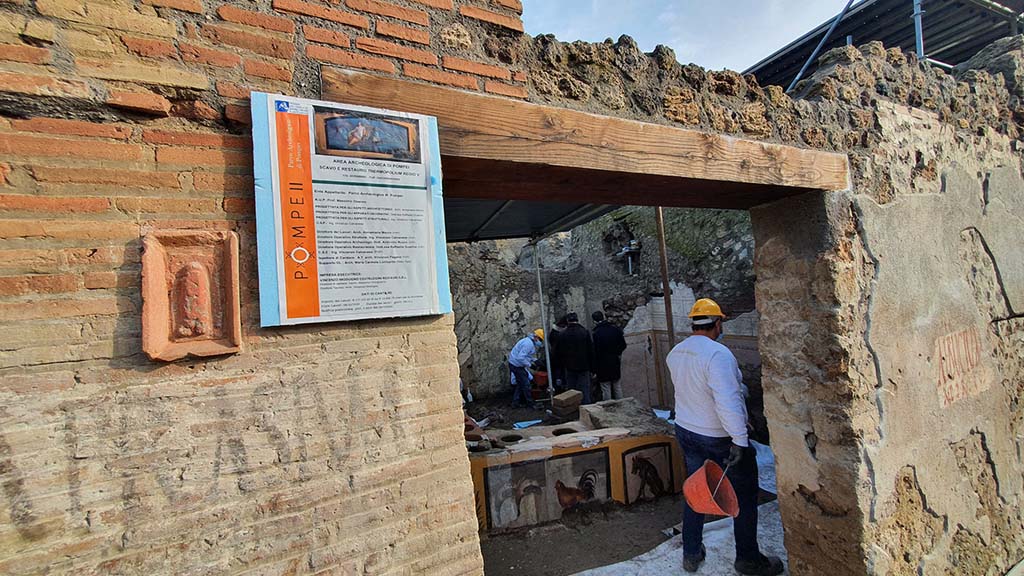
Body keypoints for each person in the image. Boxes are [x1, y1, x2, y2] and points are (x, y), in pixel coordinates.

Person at [667, 298, 783, 575]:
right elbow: (728, 401)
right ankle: (747, 558)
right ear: (717, 323)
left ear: (694, 323)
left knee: (697, 489)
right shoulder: (718, 355)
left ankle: (691, 552)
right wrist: (740, 441)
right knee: (744, 495)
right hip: (717, 437)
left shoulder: (676, 352)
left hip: (687, 430)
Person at [555, 313, 594, 404]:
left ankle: (572, 409)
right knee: (585, 390)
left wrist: (560, 368)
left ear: (567, 321)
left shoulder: (562, 334)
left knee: (571, 392)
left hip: (569, 366)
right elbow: (591, 351)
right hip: (584, 366)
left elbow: (558, 353)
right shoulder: (584, 332)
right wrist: (593, 368)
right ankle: (586, 410)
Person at [591, 310, 627, 401]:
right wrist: (617, 353)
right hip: (614, 361)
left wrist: (594, 368)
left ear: (594, 321)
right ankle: (623, 407)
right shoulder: (614, 330)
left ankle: (608, 410)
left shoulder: (596, 333)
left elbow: (594, 351)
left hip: (602, 364)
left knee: (605, 388)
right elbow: (623, 345)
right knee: (617, 386)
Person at [508, 328, 544, 409]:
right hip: (516, 365)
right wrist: (530, 365)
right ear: (536, 337)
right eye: (540, 340)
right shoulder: (528, 344)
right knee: (526, 384)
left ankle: (515, 402)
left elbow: (527, 356)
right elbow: (521, 357)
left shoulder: (529, 342)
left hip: (515, 363)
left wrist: (535, 360)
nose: (540, 342)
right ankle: (530, 403)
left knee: (521, 384)